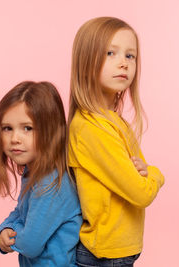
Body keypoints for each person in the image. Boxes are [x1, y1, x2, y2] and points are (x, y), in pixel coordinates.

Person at [68, 17, 165, 266]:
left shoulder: (114, 121)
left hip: (120, 250)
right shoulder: (91, 127)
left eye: (130, 56)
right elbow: (141, 191)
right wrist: (156, 175)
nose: (123, 63)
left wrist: (144, 174)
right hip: (105, 256)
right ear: (86, 62)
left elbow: (137, 173)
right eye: (110, 53)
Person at [0, 81, 82, 266]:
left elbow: (30, 244)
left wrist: (11, 229)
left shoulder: (51, 184)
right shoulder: (34, 170)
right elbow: (21, 212)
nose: (15, 139)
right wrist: (6, 228)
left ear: (50, 131)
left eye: (27, 128)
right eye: (7, 128)